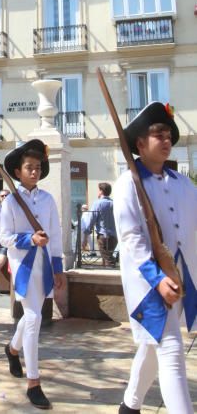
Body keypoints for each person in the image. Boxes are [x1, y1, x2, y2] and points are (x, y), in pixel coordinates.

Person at [114, 102, 196, 414]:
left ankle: (129, 406)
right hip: (150, 285)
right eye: (158, 135)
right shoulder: (127, 186)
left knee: (153, 346)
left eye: (168, 135)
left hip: (181, 278)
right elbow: (132, 239)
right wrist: (157, 279)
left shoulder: (183, 184)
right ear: (139, 144)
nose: (166, 141)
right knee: (171, 352)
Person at [0, 140, 64, 410]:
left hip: (45, 267)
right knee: (35, 317)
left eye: (38, 167)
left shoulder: (48, 200)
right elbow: (5, 238)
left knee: (31, 316)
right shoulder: (10, 203)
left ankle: (12, 350)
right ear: (18, 172)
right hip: (23, 268)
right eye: (29, 167)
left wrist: (58, 267)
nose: (34, 172)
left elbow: (56, 235)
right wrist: (29, 239)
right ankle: (34, 382)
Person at [88, 183, 117, 266]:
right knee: (106, 258)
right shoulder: (114, 203)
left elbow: (92, 218)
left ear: (101, 191)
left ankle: (113, 271)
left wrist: (87, 231)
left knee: (108, 260)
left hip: (103, 236)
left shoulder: (97, 203)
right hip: (114, 236)